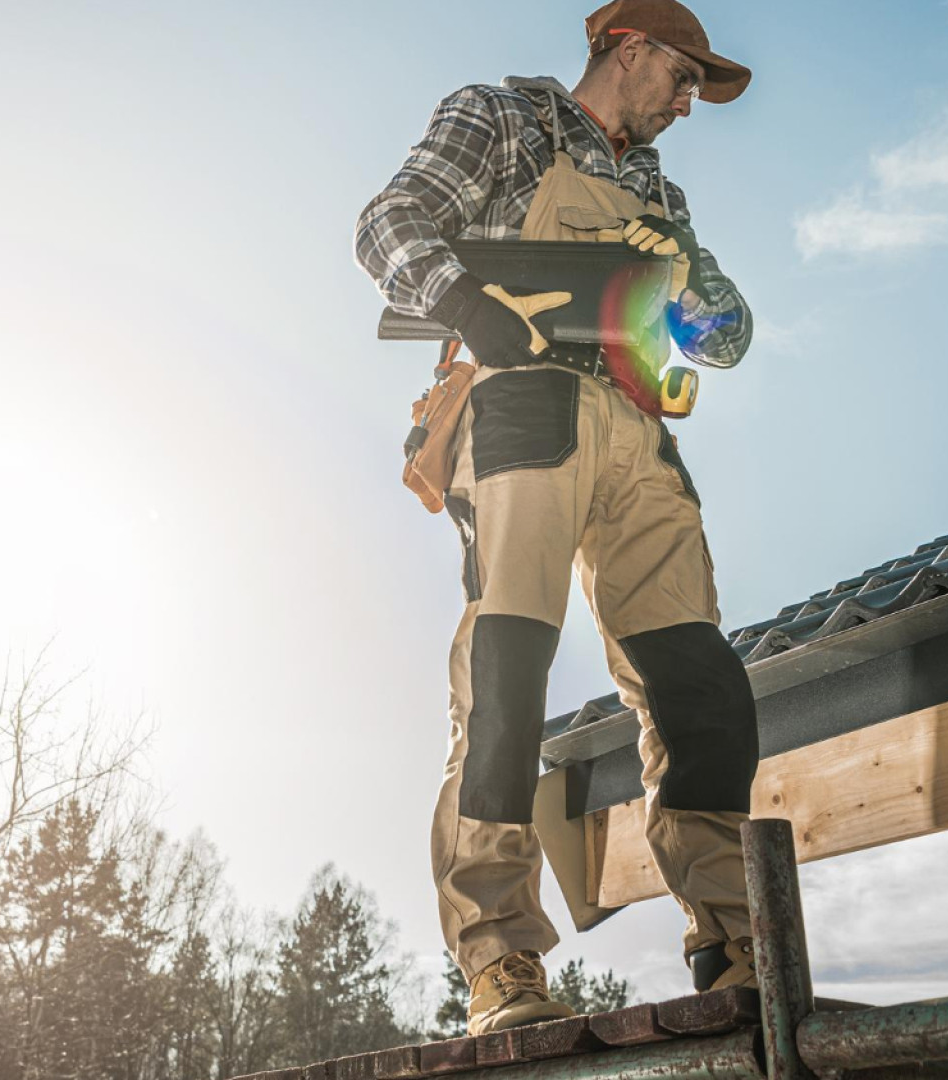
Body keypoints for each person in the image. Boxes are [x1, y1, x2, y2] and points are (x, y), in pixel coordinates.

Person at [352, 0, 762, 1035]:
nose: (688, 101)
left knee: (698, 686)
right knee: (505, 682)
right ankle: (503, 969)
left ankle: (735, 946)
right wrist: (466, 304)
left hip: (638, 432)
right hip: (523, 407)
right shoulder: (502, 117)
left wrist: (687, 273)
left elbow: (726, 338)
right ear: (630, 48)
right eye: (684, 77)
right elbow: (388, 223)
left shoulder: (658, 189)